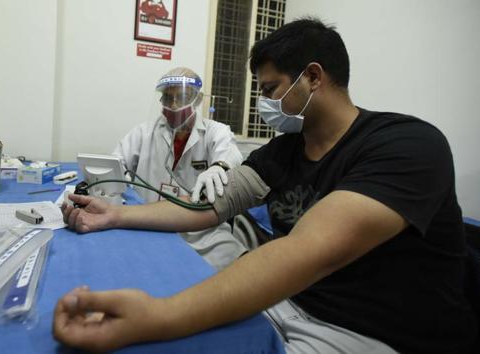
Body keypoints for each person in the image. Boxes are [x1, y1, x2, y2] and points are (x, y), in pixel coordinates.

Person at [54, 18, 478, 354]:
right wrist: (116, 213)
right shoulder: (284, 150)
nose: (265, 106)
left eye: (271, 90)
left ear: (313, 77)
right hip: (292, 301)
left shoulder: (407, 145)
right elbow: (208, 208)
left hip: (371, 332)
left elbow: (306, 250)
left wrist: (161, 315)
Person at [112, 67, 247, 270]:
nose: (173, 105)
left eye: (182, 97)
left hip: (203, 233)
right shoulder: (144, 133)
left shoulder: (215, 132)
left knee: (235, 267)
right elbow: (115, 163)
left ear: (198, 99)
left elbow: (230, 156)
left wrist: (219, 166)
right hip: (149, 224)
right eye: (167, 98)